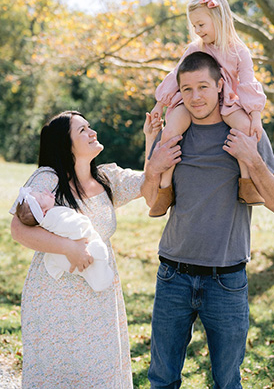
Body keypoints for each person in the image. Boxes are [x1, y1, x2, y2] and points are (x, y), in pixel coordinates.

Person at [142, 51, 274, 389]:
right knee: (162, 379)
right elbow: (152, 201)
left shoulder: (247, 132)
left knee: (226, 381)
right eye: (187, 89)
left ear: (221, 86)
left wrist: (252, 159)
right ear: (179, 92)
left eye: (204, 87)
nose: (196, 97)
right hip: (173, 275)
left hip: (227, 279)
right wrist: (153, 164)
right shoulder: (173, 135)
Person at [10, 110, 177, 389]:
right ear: (66, 145)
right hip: (54, 296)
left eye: (90, 127)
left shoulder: (107, 179)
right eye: (82, 130)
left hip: (99, 295)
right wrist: (68, 247)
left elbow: (150, 189)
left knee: (101, 373)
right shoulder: (48, 179)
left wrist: (150, 139)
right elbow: (19, 228)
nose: (92, 132)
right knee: (57, 373)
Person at [149, 0, 267, 217]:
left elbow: (247, 83)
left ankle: (246, 183)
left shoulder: (239, 52)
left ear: (219, 18)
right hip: (193, 100)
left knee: (244, 128)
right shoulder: (195, 48)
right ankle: (165, 188)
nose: (198, 30)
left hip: (229, 101)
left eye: (201, 24)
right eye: (194, 26)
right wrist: (160, 103)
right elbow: (176, 75)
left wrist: (255, 116)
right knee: (171, 131)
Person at [16, 186, 114, 292]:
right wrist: (81, 236)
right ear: (44, 212)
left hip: (61, 261)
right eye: (42, 197)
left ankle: (96, 280)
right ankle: (100, 280)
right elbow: (74, 224)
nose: (45, 193)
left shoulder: (45, 222)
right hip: (76, 253)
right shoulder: (54, 215)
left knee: (88, 269)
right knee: (97, 251)